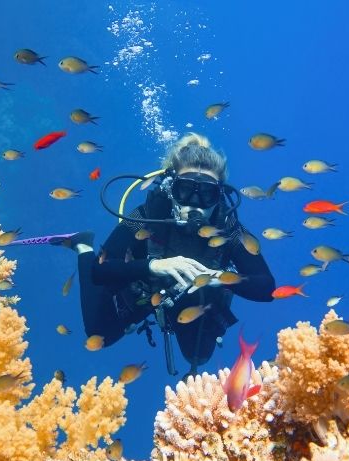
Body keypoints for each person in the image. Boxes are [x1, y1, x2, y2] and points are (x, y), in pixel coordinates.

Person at [62, 133, 276, 378]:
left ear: (219, 197)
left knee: (200, 355)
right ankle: (83, 245)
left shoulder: (228, 227)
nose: (195, 203)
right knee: (99, 333)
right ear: (171, 189)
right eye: (185, 190)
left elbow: (267, 287)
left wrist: (219, 276)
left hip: (196, 298)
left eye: (207, 194)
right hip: (147, 288)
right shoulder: (145, 215)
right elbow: (99, 272)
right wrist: (153, 266)